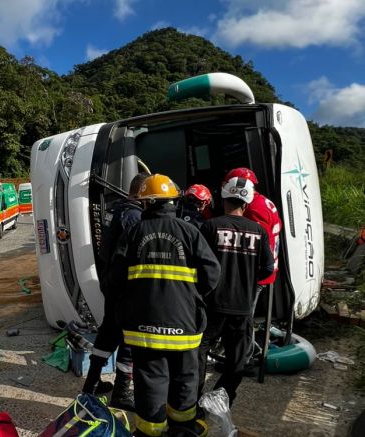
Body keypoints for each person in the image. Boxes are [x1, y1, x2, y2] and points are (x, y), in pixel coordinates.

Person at [111, 174, 221, 437]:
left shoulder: (133, 233)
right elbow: (212, 273)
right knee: (185, 377)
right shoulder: (190, 232)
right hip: (184, 324)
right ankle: (183, 428)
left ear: (146, 203)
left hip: (144, 325)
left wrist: (131, 303)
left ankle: (150, 432)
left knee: (150, 378)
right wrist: (191, 297)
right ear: (173, 200)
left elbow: (115, 280)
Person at [198, 176, 274, 407]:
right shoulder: (259, 232)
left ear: (223, 198)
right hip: (242, 307)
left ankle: (192, 400)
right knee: (237, 360)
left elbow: (198, 264)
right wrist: (247, 280)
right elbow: (267, 269)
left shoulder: (210, 227)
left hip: (212, 305)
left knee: (199, 352)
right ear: (247, 203)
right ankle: (223, 396)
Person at [82, 172, 150, 411]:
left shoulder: (117, 210)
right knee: (129, 338)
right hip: (125, 286)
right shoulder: (134, 216)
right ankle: (122, 392)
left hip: (111, 280)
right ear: (142, 192)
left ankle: (90, 384)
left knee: (107, 332)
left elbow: (104, 249)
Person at [223, 167, 282, 368]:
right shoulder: (263, 201)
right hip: (264, 271)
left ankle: (243, 360)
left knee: (244, 318)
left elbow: (256, 242)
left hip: (256, 274)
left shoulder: (254, 208)